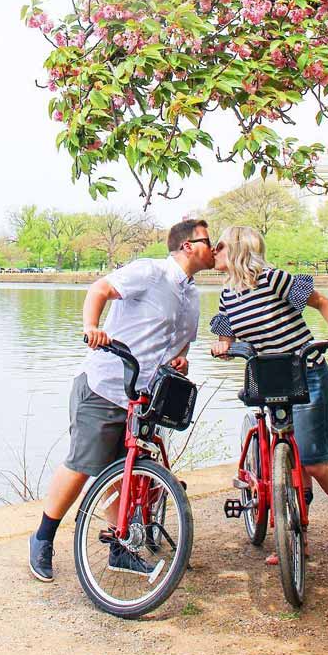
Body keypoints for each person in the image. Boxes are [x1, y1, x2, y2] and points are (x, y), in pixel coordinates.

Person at [28, 218, 215, 582]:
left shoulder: (191, 295)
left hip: (145, 396)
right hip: (106, 384)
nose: (215, 247)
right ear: (188, 246)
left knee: (121, 472)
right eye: (208, 240)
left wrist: (181, 358)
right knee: (83, 463)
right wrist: (91, 328)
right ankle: (43, 537)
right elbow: (99, 289)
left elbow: (181, 340)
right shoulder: (149, 272)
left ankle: (119, 549)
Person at [209, 225, 328, 563]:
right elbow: (227, 335)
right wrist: (222, 346)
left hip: (308, 374)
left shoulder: (273, 279)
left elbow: (321, 301)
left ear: (237, 248)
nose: (213, 250)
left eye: (220, 245)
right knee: (288, 460)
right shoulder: (227, 295)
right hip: (270, 381)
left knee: (313, 461)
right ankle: (295, 536)